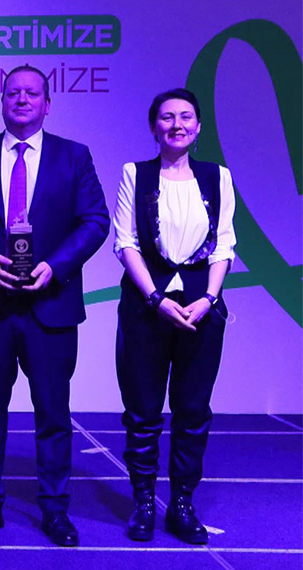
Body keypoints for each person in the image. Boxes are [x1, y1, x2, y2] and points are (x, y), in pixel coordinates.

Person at [0, 65, 109, 547]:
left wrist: (55, 266)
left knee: (53, 414)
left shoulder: (74, 156)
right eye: (12, 92)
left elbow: (95, 221)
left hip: (50, 306)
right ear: (1, 101)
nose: (21, 99)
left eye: (31, 93)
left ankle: (55, 509)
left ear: (47, 104)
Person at [113, 88, 235, 545]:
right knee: (143, 412)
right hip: (147, 310)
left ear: (198, 127)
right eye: (167, 117)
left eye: (186, 117)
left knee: (193, 411)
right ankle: (144, 502)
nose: (176, 125)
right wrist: (155, 298)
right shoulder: (135, 174)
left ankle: (182, 503)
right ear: (154, 127)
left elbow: (224, 244)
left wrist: (208, 299)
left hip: (201, 311)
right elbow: (125, 242)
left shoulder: (218, 177)